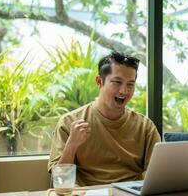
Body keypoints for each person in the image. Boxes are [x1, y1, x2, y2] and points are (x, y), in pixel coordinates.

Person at [48, 51, 161, 186]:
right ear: (99, 82)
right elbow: (59, 180)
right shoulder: (68, 123)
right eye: (117, 82)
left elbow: (157, 174)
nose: (124, 91)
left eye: (130, 84)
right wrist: (72, 145)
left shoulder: (146, 127)